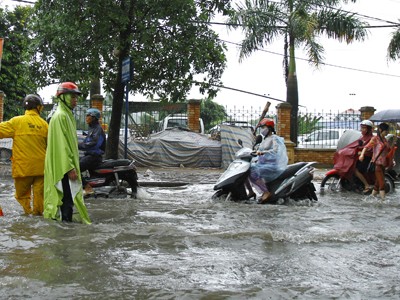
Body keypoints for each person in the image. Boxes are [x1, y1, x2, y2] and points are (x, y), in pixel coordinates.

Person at [43, 82, 91, 223]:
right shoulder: (60, 116)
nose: (75, 100)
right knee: (66, 199)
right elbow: (62, 145)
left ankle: (65, 227)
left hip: (65, 165)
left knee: (68, 198)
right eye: (73, 97)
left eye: (76, 97)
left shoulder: (67, 115)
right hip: (62, 167)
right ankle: (64, 231)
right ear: (63, 97)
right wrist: (69, 167)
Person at [0, 95, 48, 215]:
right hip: (41, 169)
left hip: (23, 169)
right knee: (39, 197)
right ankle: (37, 216)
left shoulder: (16, 122)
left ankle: (27, 213)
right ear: (38, 107)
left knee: (22, 196)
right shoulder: (45, 125)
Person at [249, 118, 288, 203]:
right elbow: (258, 150)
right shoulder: (264, 139)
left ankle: (266, 192)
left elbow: (275, 151)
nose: (262, 129)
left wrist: (263, 152)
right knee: (247, 169)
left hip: (272, 165)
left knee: (253, 170)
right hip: (262, 164)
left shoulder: (275, 138)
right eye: (261, 127)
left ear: (269, 128)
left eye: (263, 127)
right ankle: (251, 192)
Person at [359, 122, 392, 200]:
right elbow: (366, 147)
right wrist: (362, 155)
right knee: (382, 184)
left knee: (377, 184)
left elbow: (388, 151)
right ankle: (383, 201)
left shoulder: (385, 140)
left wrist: (392, 144)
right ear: (380, 130)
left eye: (387, 131)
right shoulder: (375, 139)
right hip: (377, 165)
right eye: (386, 131)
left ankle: (370, 198)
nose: (387, 133)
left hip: (383, 165)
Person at [78, 108, 106, 196]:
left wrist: (78, 146)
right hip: (89, 156)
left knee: (75, 169)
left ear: (93, 118)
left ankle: (87, 186)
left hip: (94, 157)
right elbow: (86, 142)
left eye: (88, 116)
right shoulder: (92, 129)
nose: (86, 117)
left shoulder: (97, 129)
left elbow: (94, 143)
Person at [355, 120, 374, 194]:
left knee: (356, 170)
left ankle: (367, 185)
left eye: (364, 128)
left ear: (368, 129)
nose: (362, 130)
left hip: (366, 158)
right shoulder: (362, 137)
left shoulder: (371, 138)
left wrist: (361, 153)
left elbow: (369, 149)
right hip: (359, 157)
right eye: (361, 128)